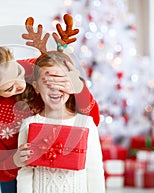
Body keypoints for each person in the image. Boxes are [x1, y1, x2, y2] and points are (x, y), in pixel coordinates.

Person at [0, 42, 100, 193]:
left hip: (63, 164)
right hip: (18, 173)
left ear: (13, 57)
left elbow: (92, 121)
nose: (20, 84)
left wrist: (78, 87)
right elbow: (1, 171)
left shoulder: (39, 69)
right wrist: (15, 160)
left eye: (18, 72)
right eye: (9, 88)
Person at [17, 51, 105, 193]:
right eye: (48, 82)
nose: (55, 88)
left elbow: (95, 172)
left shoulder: (86, 124)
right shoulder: (28, 125)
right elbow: (25, 173)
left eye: (62, 82)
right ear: (36, 87)